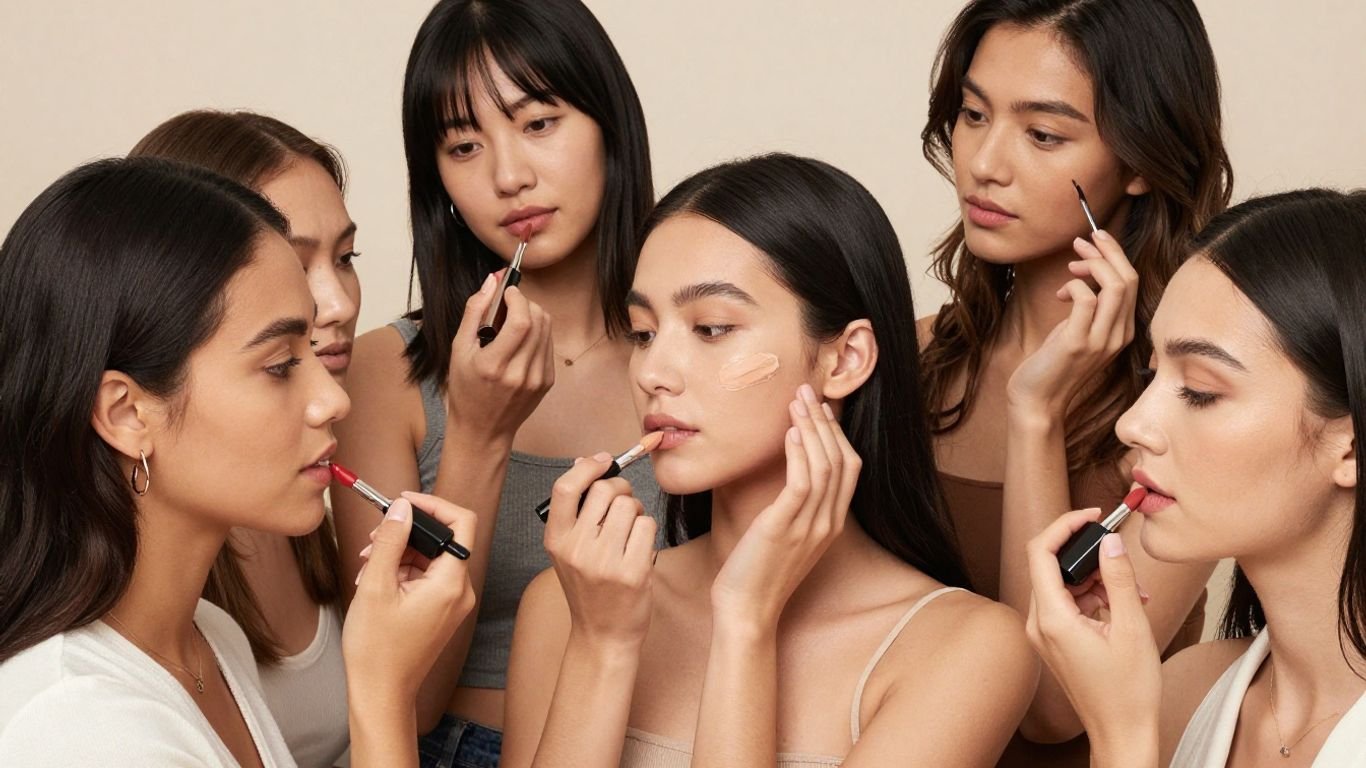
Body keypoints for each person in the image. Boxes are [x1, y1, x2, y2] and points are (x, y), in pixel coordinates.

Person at [502, 154, 1037, 767]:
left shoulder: (967, 649)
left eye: (711, 328)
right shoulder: (570, 603)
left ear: (845, 359)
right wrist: (602, 646)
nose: (652, 372)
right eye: (643, 333)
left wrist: (745, 620)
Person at [0, 157, 474, 768]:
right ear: (127, 414)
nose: (334, 401)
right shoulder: (76, 728)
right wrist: (382, 691)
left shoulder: (212, 638)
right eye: (279, 366)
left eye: (312, 350)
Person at [332, 1, 661, 762]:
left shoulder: (693, 357)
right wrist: (478, 435)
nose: (509, 176)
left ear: (610, 124)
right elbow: (406, 701)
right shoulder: (383, 374)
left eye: (539, 122)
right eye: (464, 146)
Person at [917, 0, 1233, 760]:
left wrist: (1036, 413)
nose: (985, 163)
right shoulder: (913, 356)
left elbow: (1050, 705)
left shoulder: (1190, 411)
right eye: (973, 115)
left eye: (1043, 135)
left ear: (1141, 163)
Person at [1027, 189, 1366, 767]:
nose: (1133, 425)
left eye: (1201, 391)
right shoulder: (1187, 691)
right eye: (1151, 375)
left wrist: (1123, 736)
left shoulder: (1152, 710)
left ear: (1352, 446)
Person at [130, 109, 363, 767]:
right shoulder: (87, 701)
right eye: (294, 264)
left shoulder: (218, 630)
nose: (339, 304)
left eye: (347, 258)